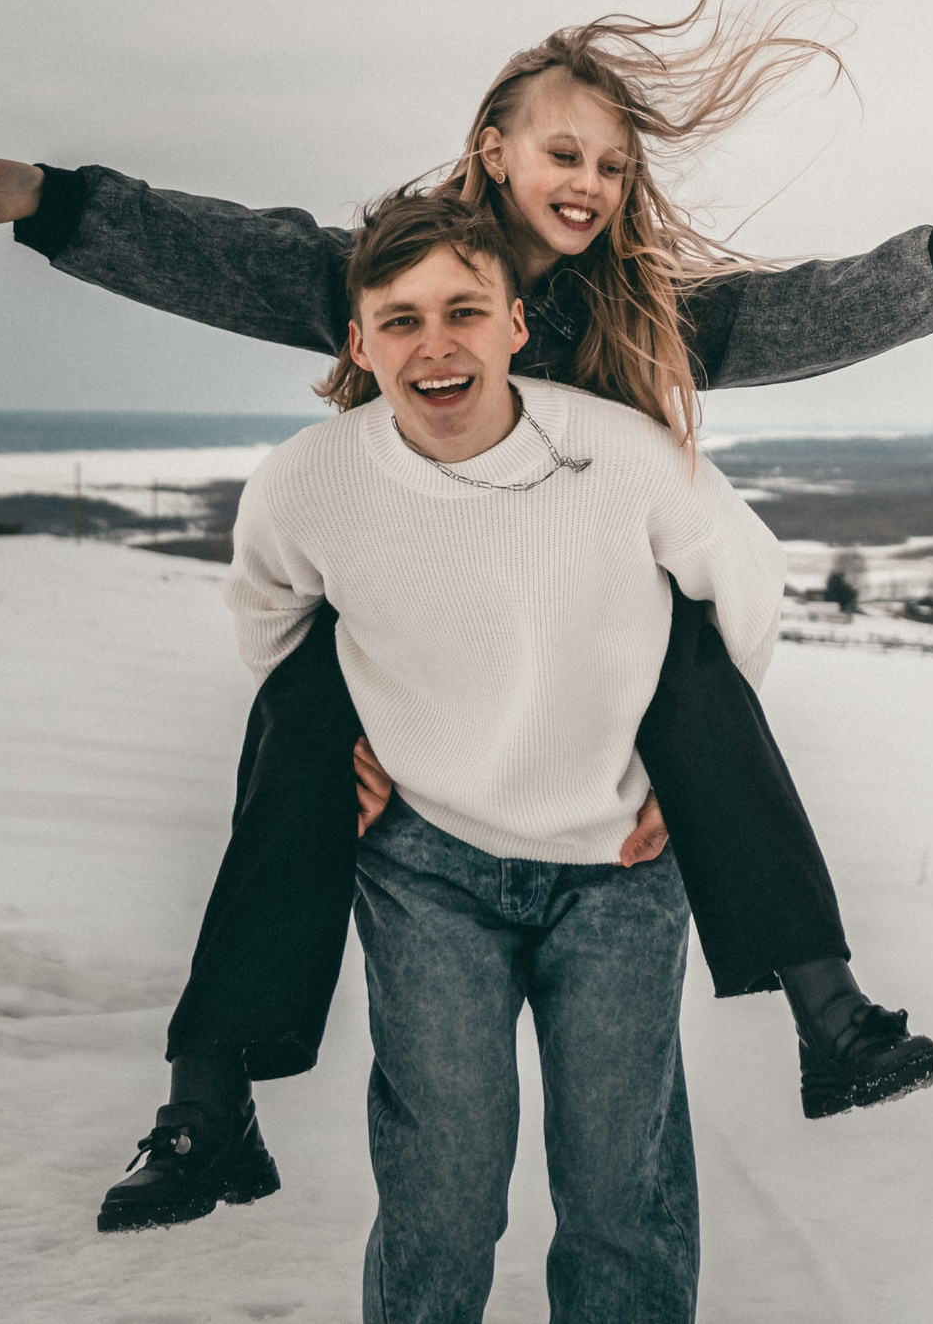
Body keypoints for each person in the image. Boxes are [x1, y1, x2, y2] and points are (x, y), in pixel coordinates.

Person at [0, 0, 933, 1232]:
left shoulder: (640, 310)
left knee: (695, 673)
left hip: (582, 628)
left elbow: (792, 314)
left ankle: (830, 1013)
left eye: (614, 166)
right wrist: (56, 205)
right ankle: (208, 1101)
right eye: (564, 150)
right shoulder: (396, 270)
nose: (589, 181)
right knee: (296, 723)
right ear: (494, 149)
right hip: (414, 604)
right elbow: (233, 254)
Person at [238, 189, 765, 1320]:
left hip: (619, 859)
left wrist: (697, 769)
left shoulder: (619, 455)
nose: (435, 343)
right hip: (426, 862)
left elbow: (745, 581)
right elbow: (272, 617)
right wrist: (338, 742)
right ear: (359, 340)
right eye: (400, 317)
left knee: (620, 1187)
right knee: (442, 1184)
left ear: (516, 324)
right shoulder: (308, 479)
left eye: (464, 310)